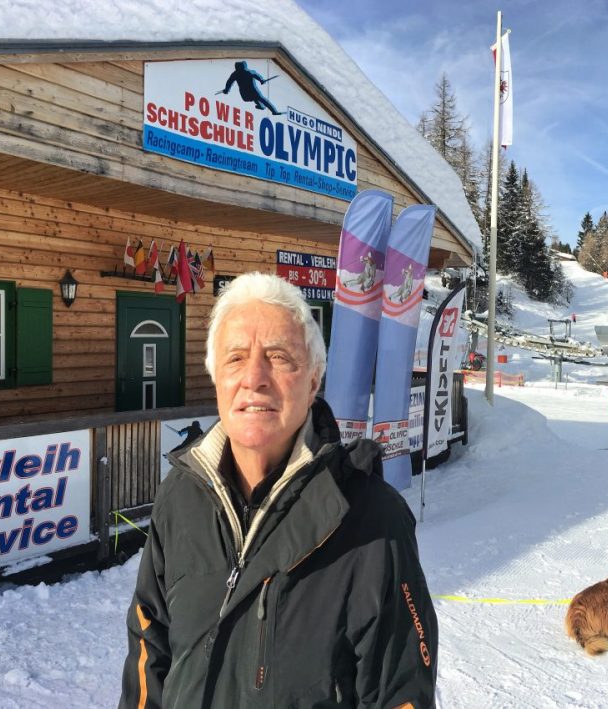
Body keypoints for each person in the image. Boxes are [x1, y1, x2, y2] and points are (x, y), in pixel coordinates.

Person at [120, 272, 437, 708]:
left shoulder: (373, 521)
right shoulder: (181, 494)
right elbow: (149, 647)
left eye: (278, 356)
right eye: (235, 358)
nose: (254, 377)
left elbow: (400, 695)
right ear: (216, 381)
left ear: (312, 381)